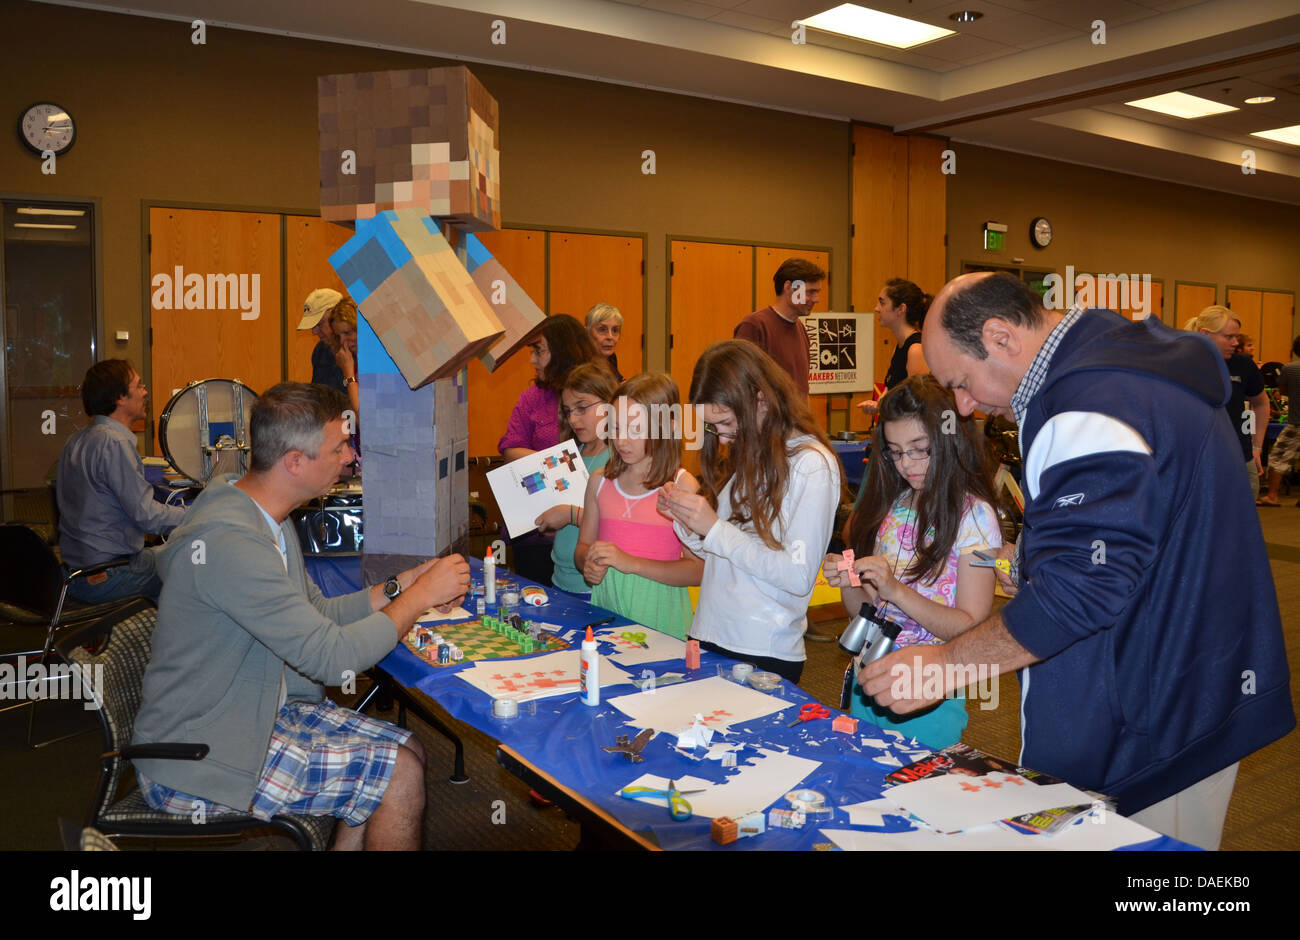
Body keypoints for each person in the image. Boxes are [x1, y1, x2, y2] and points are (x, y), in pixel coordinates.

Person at [863, 271, 1293, 850]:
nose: (963, 407)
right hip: (1174, 683)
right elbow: (1134, 540)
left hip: (1159, 718)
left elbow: (1081, 591)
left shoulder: (1088, 406)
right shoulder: (1116, 369)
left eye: (961, 383)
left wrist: (945, 666)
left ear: (1000, 336)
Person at [132, 382, 471, 850]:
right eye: (339, 447)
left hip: (250, 716)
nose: (351, 458)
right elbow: (332, 660)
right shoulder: (233, 544)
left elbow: (318, 613)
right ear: (294, 462)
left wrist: (401, 586)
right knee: (399, 772)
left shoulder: (266, 515)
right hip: (198, 757)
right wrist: (415, 602)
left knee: (406, 748)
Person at [823, 375, 1000, 748]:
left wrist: (896, 590)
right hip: (869, 679)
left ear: (947, 440)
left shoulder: (977, 518)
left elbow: (969, 627)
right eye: (896, 451)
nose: (908, 464)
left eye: (920, 449)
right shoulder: (895, 505)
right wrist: (851, 578)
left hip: (928, 694)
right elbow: (866, 612)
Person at [659, 340, 841, 682]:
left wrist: (713, 528)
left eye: (727, 422)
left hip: (761, 649)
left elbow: (797, 576)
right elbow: (725, 556)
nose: (724, 438)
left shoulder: (811, 464)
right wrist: (687, 522)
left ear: (760, 399)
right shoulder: (755, 452)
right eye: (715, 428)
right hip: (711, 632)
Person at [576, 372, 702, 638]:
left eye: (636, 429)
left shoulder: (682, 486)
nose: (621, 441)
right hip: (607, 624)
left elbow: (698, 571)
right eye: (616, 427)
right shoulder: (599, 482)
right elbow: (583, 547)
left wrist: (630, 563)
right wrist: (588, 563)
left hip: (662, 627)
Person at [56, 359, 186, 603]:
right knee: (193, 560)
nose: (145, 392)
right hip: (110, 574)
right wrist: (196, 514)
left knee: (169, 555)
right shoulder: (114, 442)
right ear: (120, 397)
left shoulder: (76, 439)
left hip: (74, 574)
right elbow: (148, 517)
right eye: (139, 386)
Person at [499, 314, 602, 584]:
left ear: (561, 351)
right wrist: (560, 466)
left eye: (538, 350)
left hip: (581, 532)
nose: (532, 360)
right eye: (568, 411)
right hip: (536, 532)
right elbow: (510, 448)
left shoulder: (594, 394)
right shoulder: (532, 397)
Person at [534, 362, 617, 596]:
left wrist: (570, 515)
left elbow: (617, 525)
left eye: (582, 408)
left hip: (594, 586)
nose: (573, 419)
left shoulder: (617, 461)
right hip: (560, 579)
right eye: (568, 411)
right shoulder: (572, 454)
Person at [1184, 306, 1268, 498]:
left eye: (1236, 337)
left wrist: (1256, 446)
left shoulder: (1243, 365)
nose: (1235, 343)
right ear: (1205, 334)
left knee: (1242, 523)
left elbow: (1259, 405)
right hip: (1199, 460)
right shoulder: (1183, 364)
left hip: (1241, 457)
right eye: (1229, 337)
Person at [734, 257, 824, 399]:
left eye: (817, 292)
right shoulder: (755, 326)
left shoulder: (801, 328)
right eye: (810, 292)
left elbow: (803, 389)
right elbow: (740, 386)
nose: (816, 299)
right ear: (788, 287)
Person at [856, 278, 931, 416]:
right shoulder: (899, 347)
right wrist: (878, 405)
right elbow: (891, 391)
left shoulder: (916, 350)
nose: (877, 308)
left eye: (882, 302)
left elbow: (919, 405)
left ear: (901, 309)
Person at [1259, 334, 1300, 507]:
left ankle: (1272, 495)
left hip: (1297, 421)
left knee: (1277, 457)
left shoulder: (1290, 368)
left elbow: (1282, 391)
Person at [297, 288, 348, 394]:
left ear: (339, 317)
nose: (314, 332)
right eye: (312, 327)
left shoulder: (366, 351)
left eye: (319, 324)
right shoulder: (320, 351)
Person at [327, 299, 360, 419]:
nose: (342, 341)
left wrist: (348, 374)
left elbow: (365, 419)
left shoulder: (379, 361)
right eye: (338, 336)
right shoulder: (354, 361)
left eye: (347, 333)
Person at [586, 302, 625, 382]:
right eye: (602, 330)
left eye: (615, 330)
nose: (610, 337)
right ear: (587, 332)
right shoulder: (580, 365)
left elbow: (619, 385)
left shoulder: (611, 358)